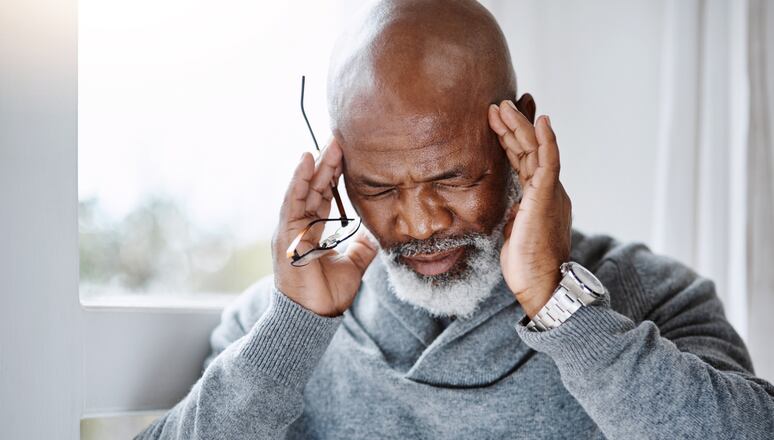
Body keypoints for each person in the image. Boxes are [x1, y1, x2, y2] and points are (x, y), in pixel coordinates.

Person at [138, 0, 774, 438]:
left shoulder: (654, 294)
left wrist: (561, 306)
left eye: (452, 179)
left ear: (517, 131)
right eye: (378, 186)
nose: (419, 224)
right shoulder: (275, 323)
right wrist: (295, 329)